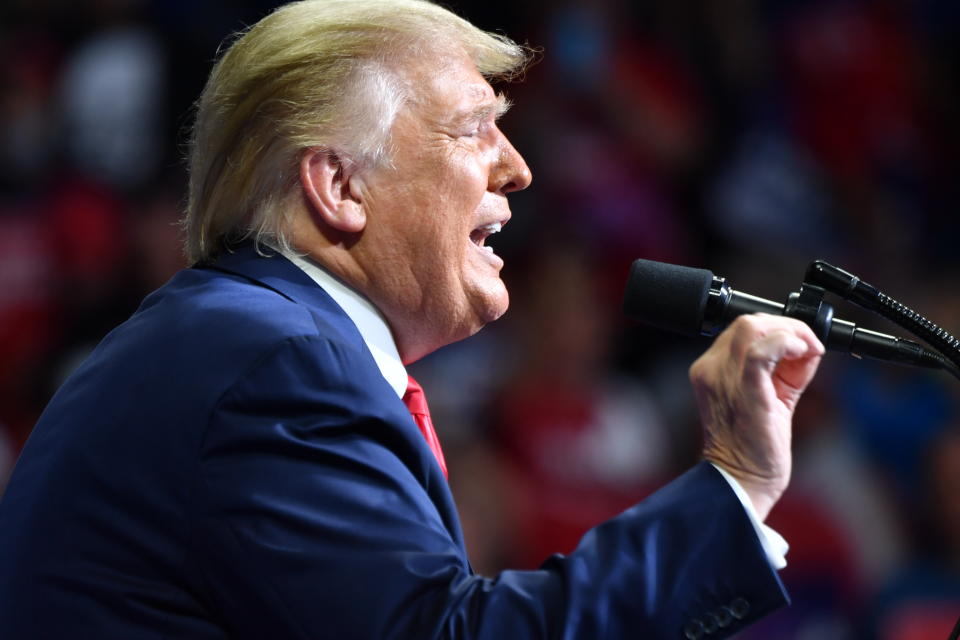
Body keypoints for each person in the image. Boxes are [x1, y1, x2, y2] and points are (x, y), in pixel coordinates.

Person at [0, 1, 824, 637]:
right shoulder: (271, 361)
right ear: (340, 187)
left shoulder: (236, 339)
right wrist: (734, 485)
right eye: (473, 129)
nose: (520, 166)